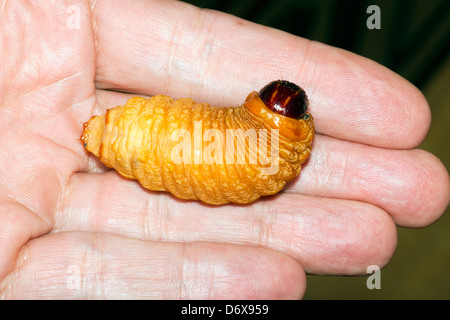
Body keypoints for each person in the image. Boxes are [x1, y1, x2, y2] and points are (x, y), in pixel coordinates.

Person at [0, 0, 448, 299]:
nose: (284, 99)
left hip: (133, 132)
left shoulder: (263, 149)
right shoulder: (266, 148)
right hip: (130, 132)